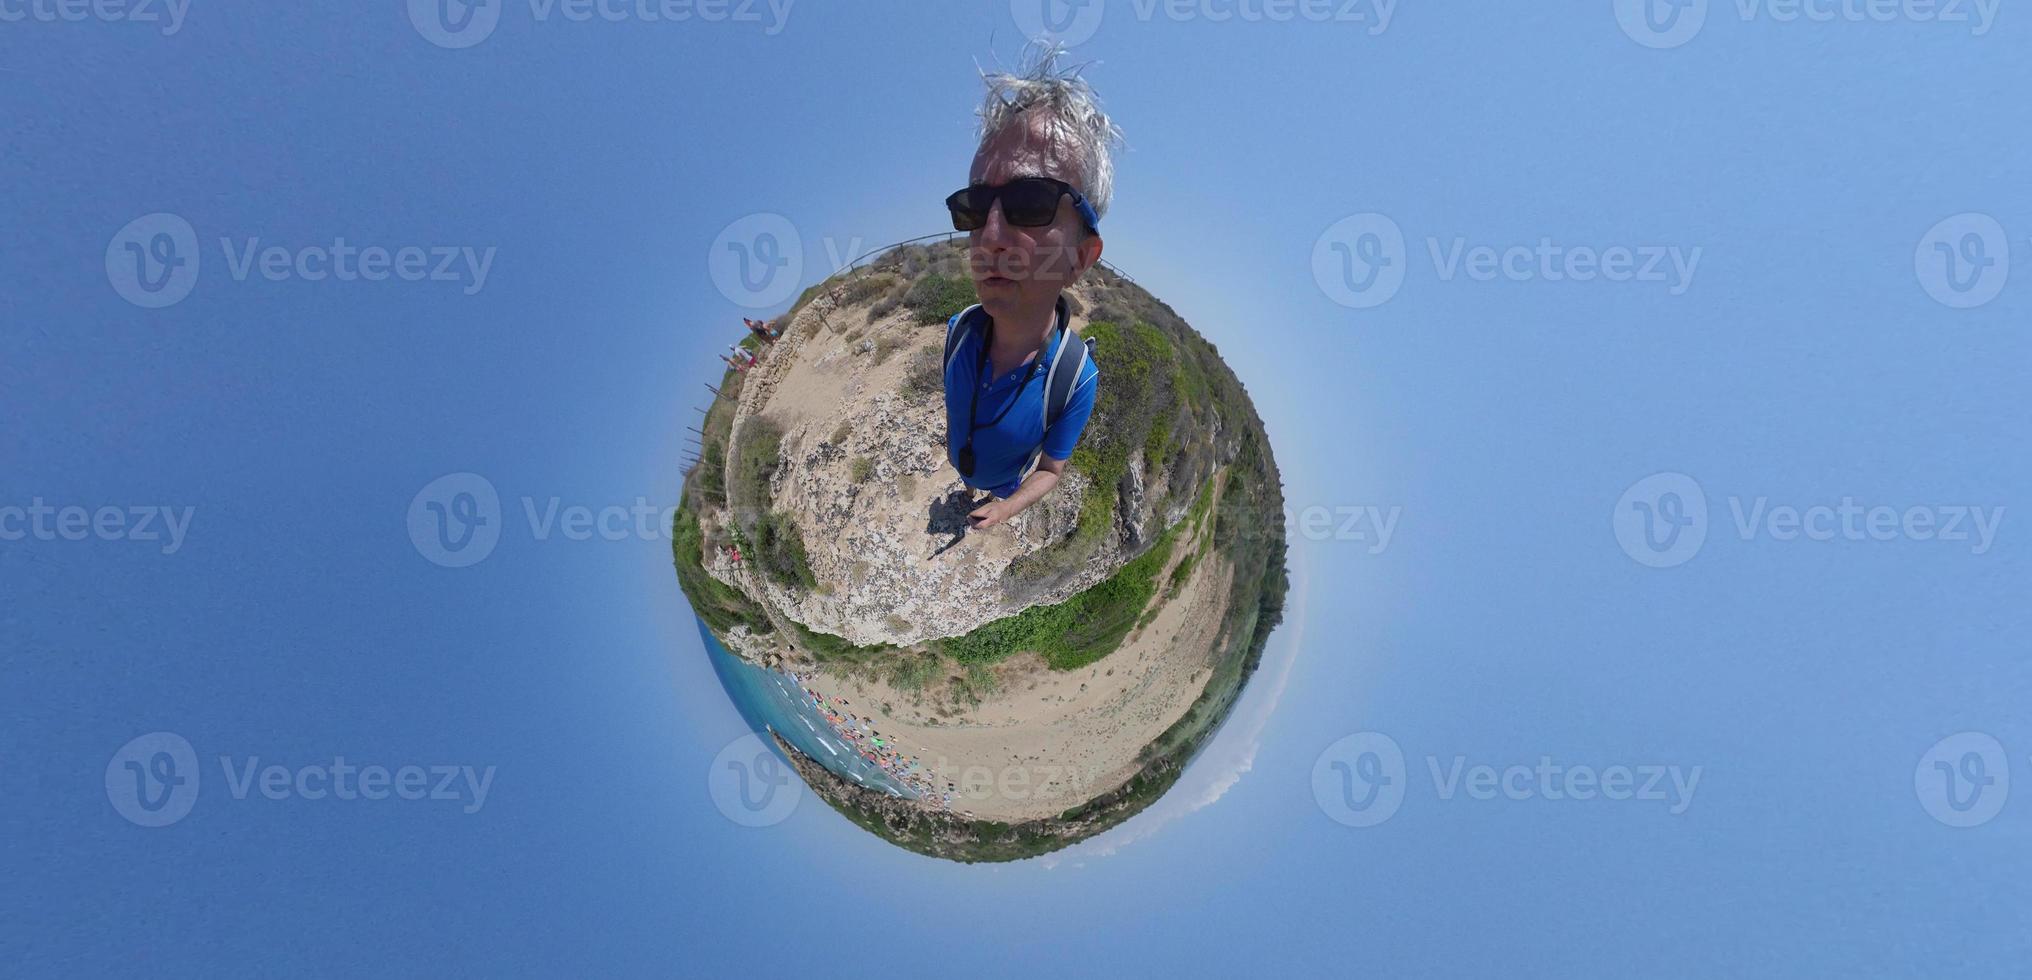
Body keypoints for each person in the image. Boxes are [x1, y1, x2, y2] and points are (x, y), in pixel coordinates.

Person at [939, 43, 1122, 530]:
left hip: (1004, 485)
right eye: (975, 207)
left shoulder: (1076, 379)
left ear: (1081, 257)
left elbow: (1050, 469)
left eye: (1030, 201)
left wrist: (1005, 508)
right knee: (967, 479)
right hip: (969, 461)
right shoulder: (957, 331)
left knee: (983, 490)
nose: (990, 237)